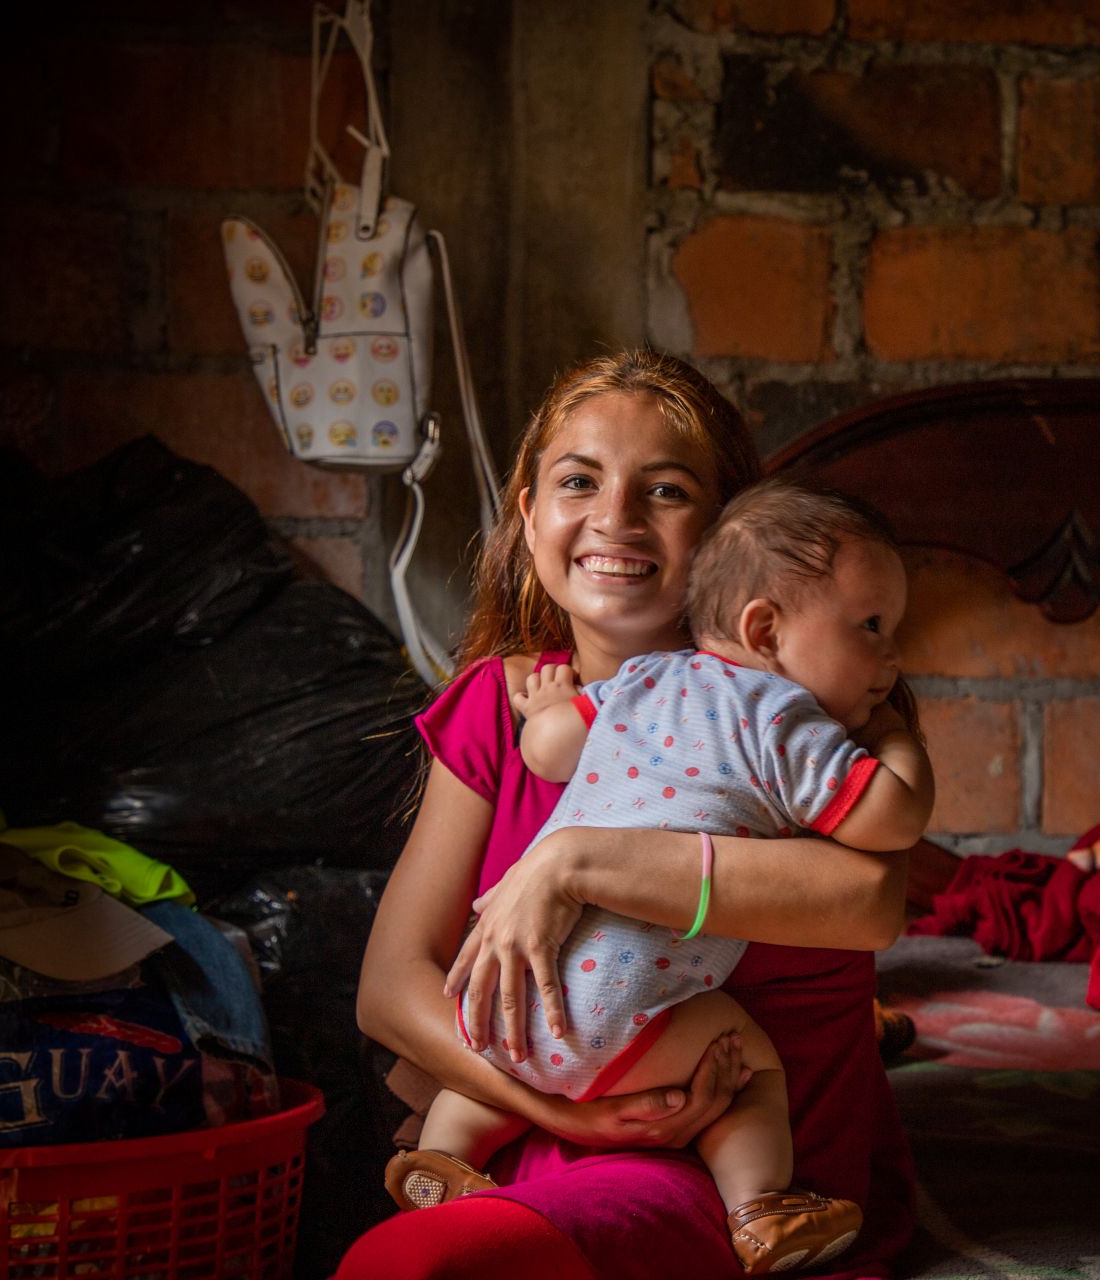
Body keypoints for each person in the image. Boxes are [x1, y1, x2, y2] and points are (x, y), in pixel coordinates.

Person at [341, 351, 919, 1280]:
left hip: (751, 1180)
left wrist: (573, 860)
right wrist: (559, 1109)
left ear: (730, 535)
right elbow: (389, 985)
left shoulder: (804, 703)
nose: (614, 518)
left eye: (667, 490)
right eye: (579, 482)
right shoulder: (500, 704)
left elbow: (868, 903)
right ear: (530, 517)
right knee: (408, 1254)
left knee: (430, 1268)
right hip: (530, 1133)